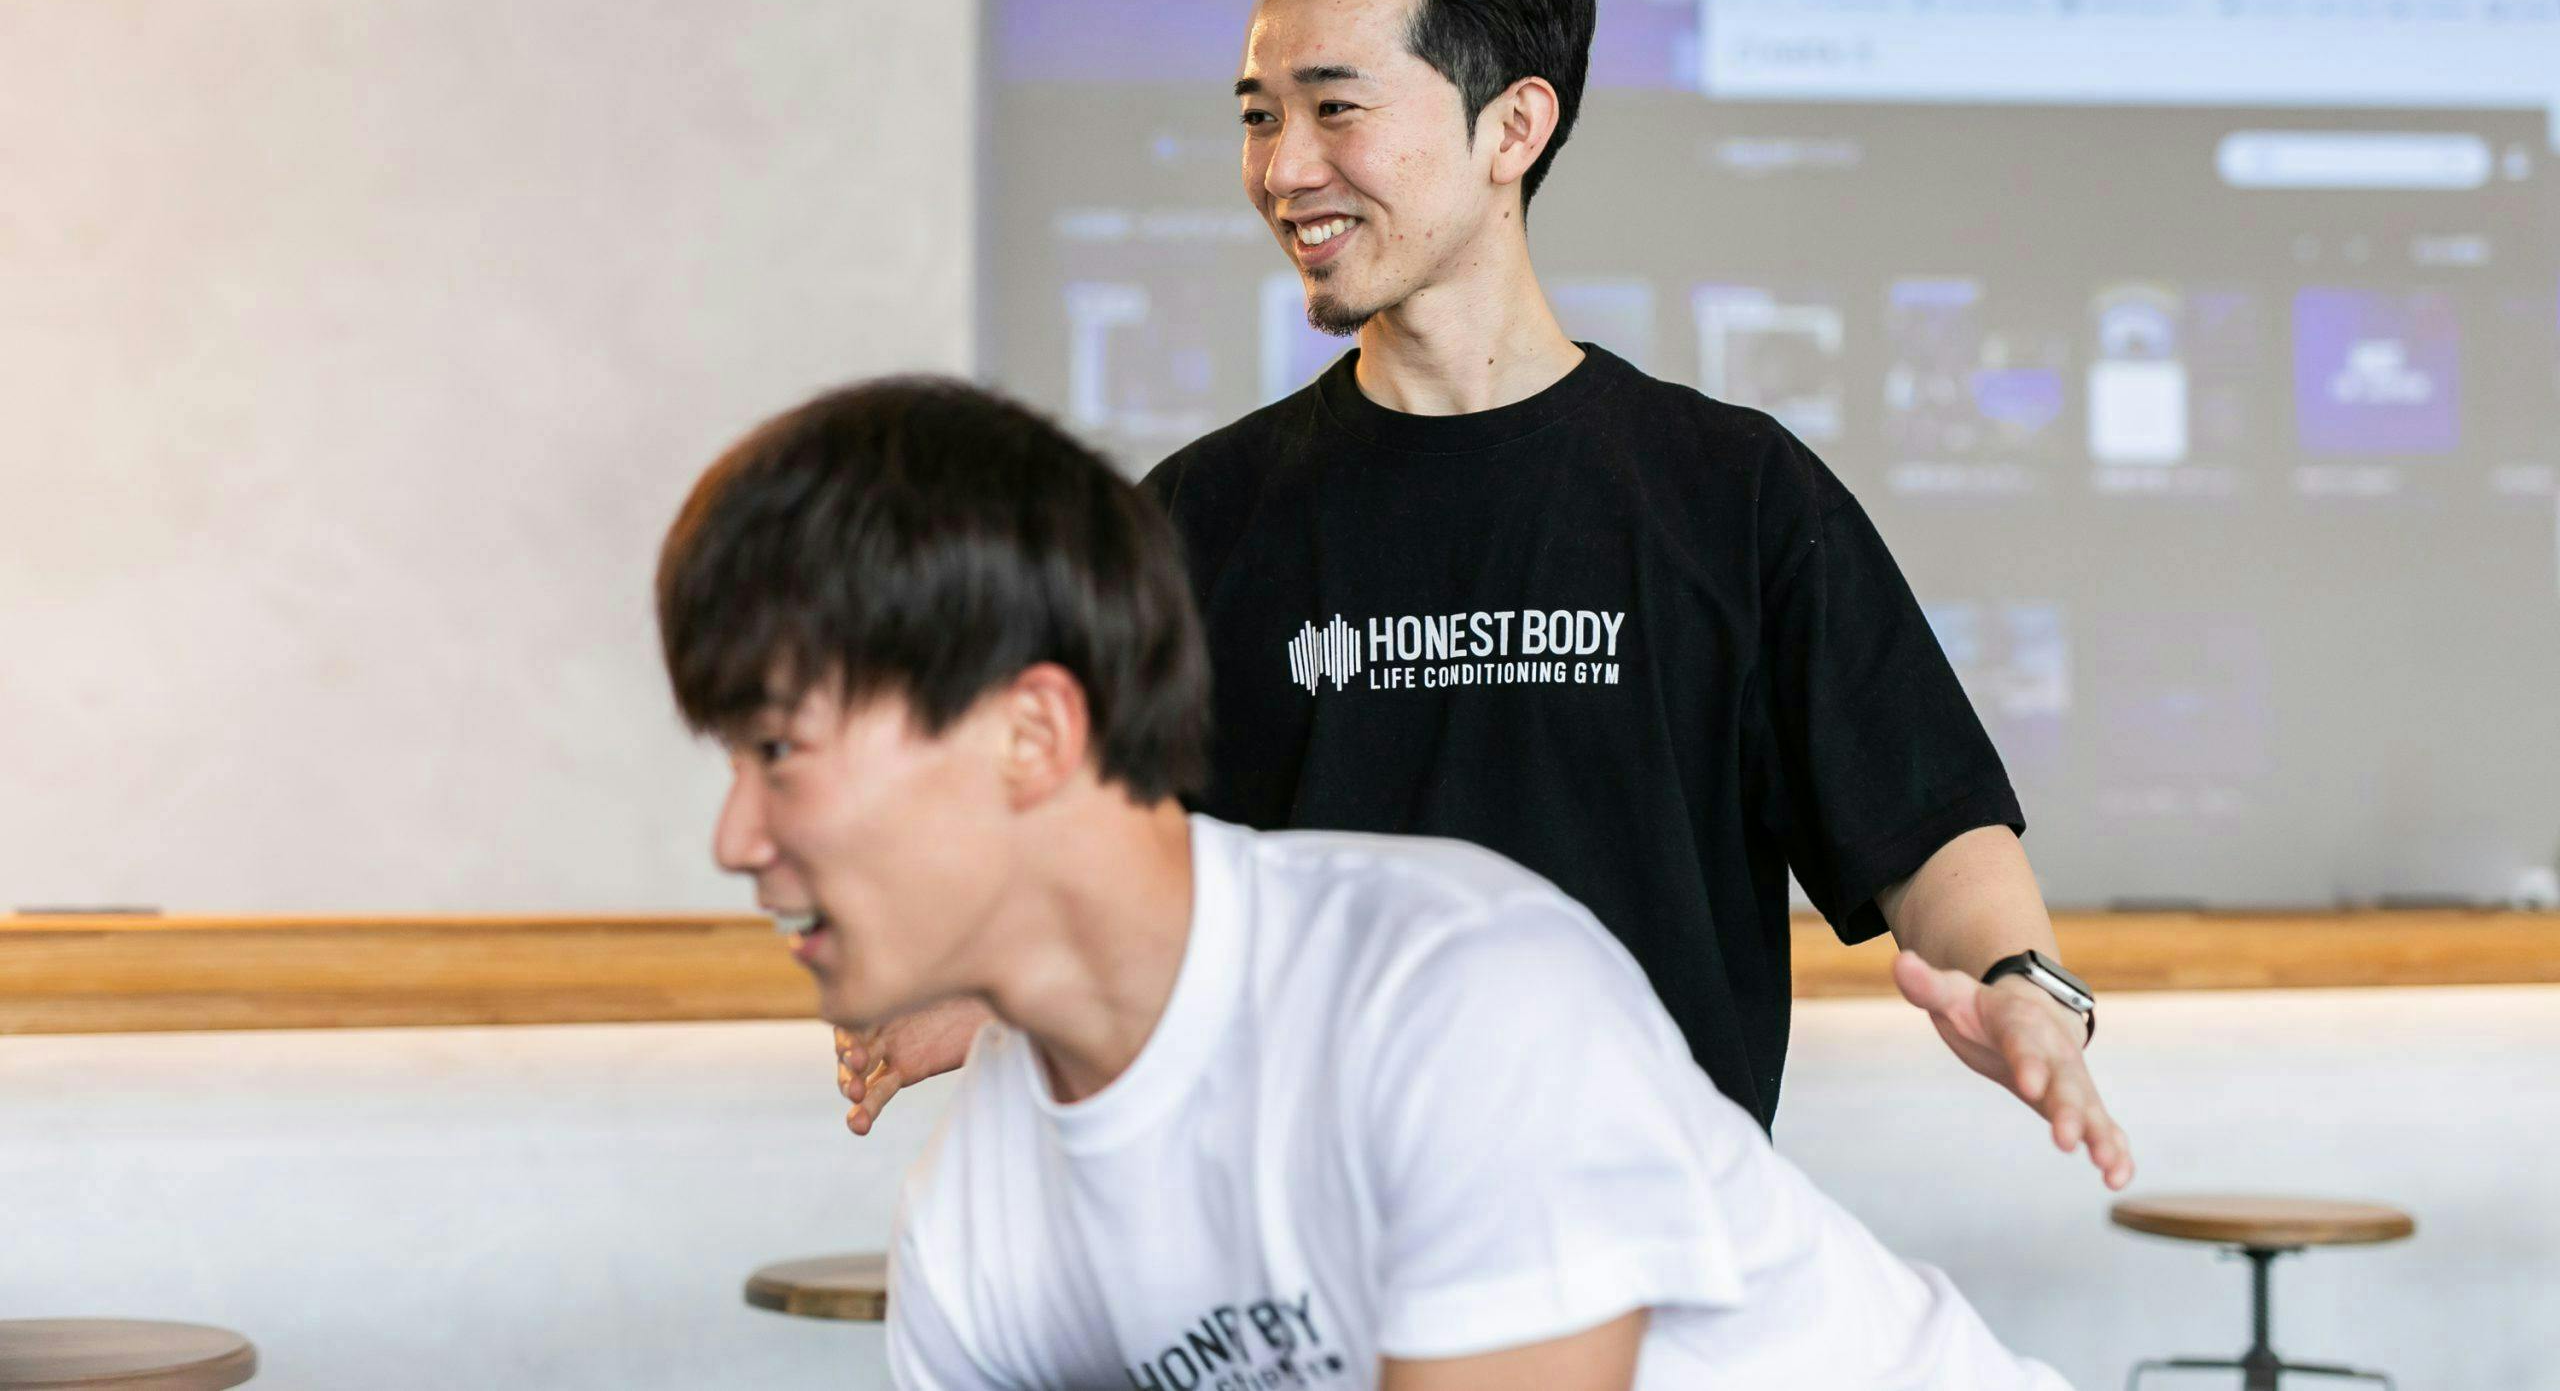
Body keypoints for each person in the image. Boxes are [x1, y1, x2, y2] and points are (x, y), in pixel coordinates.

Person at [836, 0, 2132, 1190]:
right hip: (1296, 1251)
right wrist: (989, 977)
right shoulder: (1196, 517)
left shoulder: (1734, 493)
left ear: (1512, 129)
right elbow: (1097, 874)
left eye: (1336, 108)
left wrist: (2020, 984)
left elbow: (1928, 830)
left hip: (1650, 1249)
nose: (1284, 168)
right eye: (1259, 117)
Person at [660, 377, 2073, 1391]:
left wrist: (2025, 981)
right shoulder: (980, 1221)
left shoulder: (1470, 1006)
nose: (733, 836)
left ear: (1034, 732)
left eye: (779, 751)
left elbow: (1929, 823)